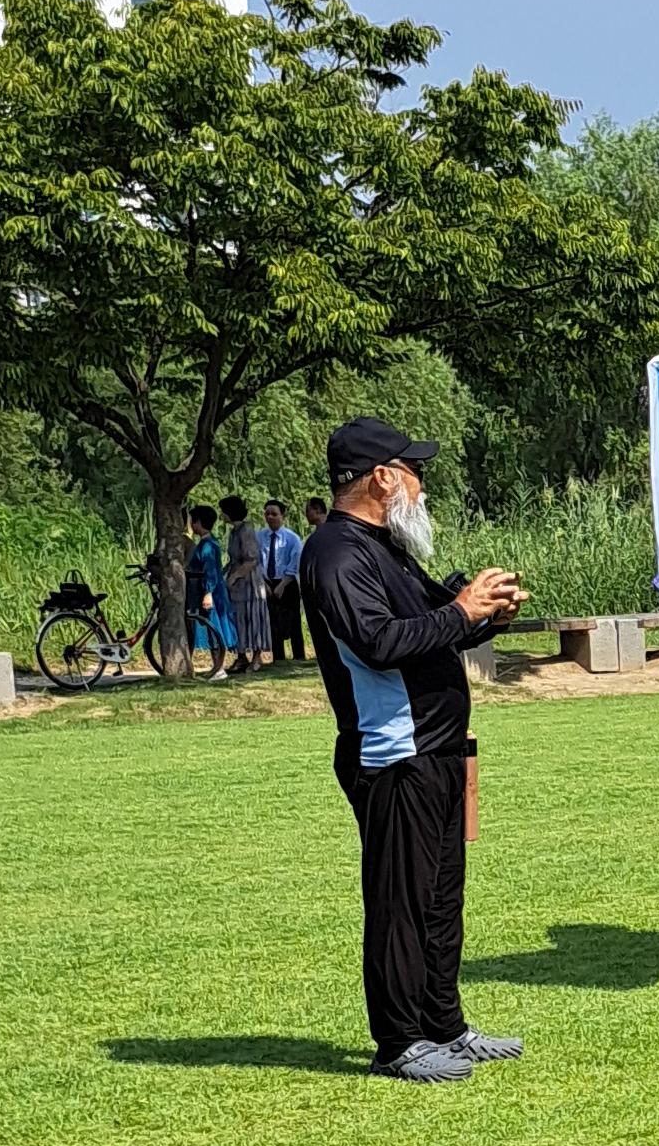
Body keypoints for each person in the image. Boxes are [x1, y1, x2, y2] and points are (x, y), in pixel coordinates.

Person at [299, 418, 526, 1080]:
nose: (422, 486)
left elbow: (433, 626)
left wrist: (486, 613)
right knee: (401, 901)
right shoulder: (335, 553)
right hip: (394, 754)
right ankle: (399, 1041)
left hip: (439, 748)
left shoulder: (385, 547)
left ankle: (444, 1026)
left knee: (440, 897)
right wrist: (461, 612)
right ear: (382, 477)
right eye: (415, 472)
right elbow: (378, 642)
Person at [184, 506, 234, 675]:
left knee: (214, 628)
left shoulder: (208, 546)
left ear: (198, 522)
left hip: (211, 592)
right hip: (207, 590)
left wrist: (208, 593)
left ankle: (219, 668)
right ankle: (216, 667)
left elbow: (210, 571)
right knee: (211, 628)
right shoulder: (207, 543)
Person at [225, 498, 271, 672]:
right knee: (238, 617)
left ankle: (257, 656)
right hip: (238, 585)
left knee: (253, 617)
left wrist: (235, 575)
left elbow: (251, 559)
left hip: (250, 582)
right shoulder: (234, 532)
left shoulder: (246, 531)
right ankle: (241, 655)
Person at [265, 497, 308, 665]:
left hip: (287, 583)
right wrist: (264, 583)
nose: (270, 517)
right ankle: (278, 658)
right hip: (268, 582)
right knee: (273, 621)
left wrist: (282, 584)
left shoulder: (292, 538)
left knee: (293, 620)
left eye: (274, 514)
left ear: (282, 516)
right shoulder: (260, 537)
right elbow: (258, 561)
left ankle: (299, 656)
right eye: (267, 514)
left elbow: (294, 563)